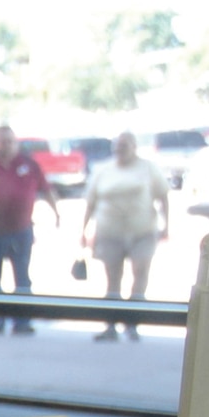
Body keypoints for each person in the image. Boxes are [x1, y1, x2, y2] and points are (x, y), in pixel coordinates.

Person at [81, 132, 169, 343]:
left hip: (142, 231)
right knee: (113, 278)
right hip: (110, 231)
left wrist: (166, 226)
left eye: (124, 145)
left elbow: (163, 197)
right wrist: (83, 230)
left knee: (140, 273)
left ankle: (133, 322)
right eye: (117, 146)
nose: (120, 149)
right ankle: (111, 324)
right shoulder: (103, 170)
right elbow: (91, 202)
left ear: (134, 146)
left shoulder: (148, 168)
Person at [0, 125, 59, 336]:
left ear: (16, 143)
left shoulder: (29, 164)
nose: (6, 145)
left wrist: (56, 213)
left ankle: (22, 321)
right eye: (2, 141)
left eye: (10, 141)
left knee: (22, 277)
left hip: (21, 230)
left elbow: (46, 190)